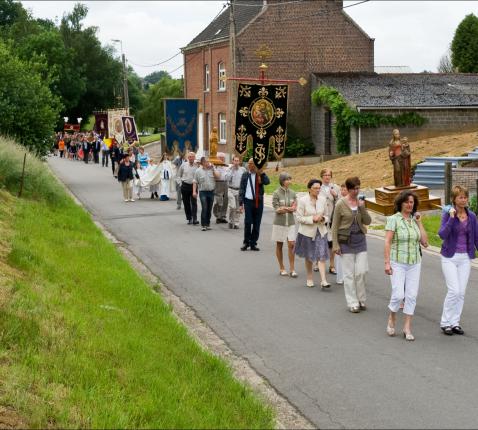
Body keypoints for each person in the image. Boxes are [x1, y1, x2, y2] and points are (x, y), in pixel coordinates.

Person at [384, 190, 428, 340]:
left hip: (415, 263)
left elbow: (425, 243)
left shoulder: (414, 220)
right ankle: (392, 317)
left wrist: (419, 222)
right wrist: (387, 263)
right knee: (398, 294)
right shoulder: (393, 219)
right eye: (407, 202)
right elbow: (388, 242)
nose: (410, 205)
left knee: (411, 295)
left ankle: (407, 327)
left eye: (412, 202)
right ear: (401, 203)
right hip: (397, 262)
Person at [438, 186, 478, 336]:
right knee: (454, 290)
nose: (464, 200)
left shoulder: (472, 216)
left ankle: (455, 322)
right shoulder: (448, 215)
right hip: (449, 257)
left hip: (465, 258)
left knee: (461, 292)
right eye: (460, 197)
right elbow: (442, 234)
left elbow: (476, 236)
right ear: (454, 199)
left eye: (465, 197)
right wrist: (451, 218)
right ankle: (445, 322)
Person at [332, 176, 371, 313]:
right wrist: (335, 245)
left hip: (360, 240)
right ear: (348, 189)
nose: (357, 191)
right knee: (348, 274)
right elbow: (335, 226)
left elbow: (368, 221)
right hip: (345, 242)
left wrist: (362, 208)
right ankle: (352, 302)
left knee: (361, 271)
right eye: (354, 188)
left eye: (358, 188)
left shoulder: (360, 203)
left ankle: (361, 299)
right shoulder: (340, 204)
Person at [295, 179, 329, 288]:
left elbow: (328, 216)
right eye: (315, 188)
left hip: (321, 231)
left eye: (319, 188)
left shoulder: (323, 200)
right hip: (307, 232)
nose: (318, 190)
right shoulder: (303, 200)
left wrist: (323, 218)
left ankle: (323, 280)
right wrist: (312, 219)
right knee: (309, 256)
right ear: (309, 189)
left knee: (321, 255)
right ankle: (309, 278)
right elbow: (299, 217)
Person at [238, 158, 270, 251]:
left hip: (258, 202)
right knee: (248, 222)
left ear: (256, 165)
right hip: (248, 201)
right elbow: (242, 189)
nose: (250, 165)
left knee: (257, 223)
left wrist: (261, 172)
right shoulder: (245, 175)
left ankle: (253, 243)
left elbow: (267, 182)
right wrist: (241, 203)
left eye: (252, 163)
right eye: (249, 163)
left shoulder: (259, 174)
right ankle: (246, 242)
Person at [272, 172, 298, 278]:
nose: (289, 181)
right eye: (287, 179)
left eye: (290, 179)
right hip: (279, 223)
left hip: (291, 223)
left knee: (291, 245)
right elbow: (277, 209)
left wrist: (285, 208)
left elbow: (295, 207)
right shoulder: (276, 193)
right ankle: (282, 268)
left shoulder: (293, 193)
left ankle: (292, 269)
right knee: (279, 245)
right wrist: (288, 209)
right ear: (282, 181)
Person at [317, 168, 341, 275]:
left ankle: (332, 265)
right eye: (325, 175)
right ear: (321, 176)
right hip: (321, 218)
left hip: (332, 218)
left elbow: (340, 201)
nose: (327, 177)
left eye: (329, 175)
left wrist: (335, 195)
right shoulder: (317, 187)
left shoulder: (336, 187)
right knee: (320, 241)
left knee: (331, 243)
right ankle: (317, 262)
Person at [193, 157, 220, 231]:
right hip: (203, 192)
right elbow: (195, 181)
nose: (209, 163)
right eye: (207, 161)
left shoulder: (212, 169)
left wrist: (214, 168)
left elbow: (218, 176)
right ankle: (203, 225)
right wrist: (194, 191)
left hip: (211, 192)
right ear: (203, 163)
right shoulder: (198, 171)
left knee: (209, 208)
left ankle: (208, 224)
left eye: (209, 161)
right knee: (204, 208)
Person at [225, 155, 246, 229]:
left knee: (238, 207)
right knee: (232, 206)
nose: (236, 162)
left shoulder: (243, 170)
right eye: (235, 161)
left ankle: (236, 223)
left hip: (239, 190)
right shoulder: (229, 169)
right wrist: (232, 170)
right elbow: (226, 178)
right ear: (233, 161)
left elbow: (245, 180)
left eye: (238, 161)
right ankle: (231, 221)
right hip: (231, 189)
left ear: (239, 162)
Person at [178, 152, 199, 225]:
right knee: (186, 203)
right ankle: (189, 218)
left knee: (194, 203)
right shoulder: (183, 165)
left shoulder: (197, 166)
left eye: (192, 157)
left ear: (194, 158)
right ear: (187, 157)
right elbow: (179, 175)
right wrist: (180, 184)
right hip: (185, 185)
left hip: (194, 186)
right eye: (190, 157)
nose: (191, 158)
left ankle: (195, 219)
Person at [335, 184, 348, 285]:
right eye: (342, 190)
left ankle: (349, 276)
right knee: (340, 255)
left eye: (345, 190)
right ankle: (340, 277)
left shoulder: (354, 202)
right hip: (341, 231)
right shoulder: (339, 203)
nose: (343, 191)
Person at [213, 152, 229, 224]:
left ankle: (222, 216)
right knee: (218, 201)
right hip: (218, 183)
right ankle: (217, 215)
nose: (222, 159)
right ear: (217, 158)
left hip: (226, 183)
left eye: (223, 158)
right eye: (220, 157)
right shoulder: (214, 166)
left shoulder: (227, 166)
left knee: (226, 200)